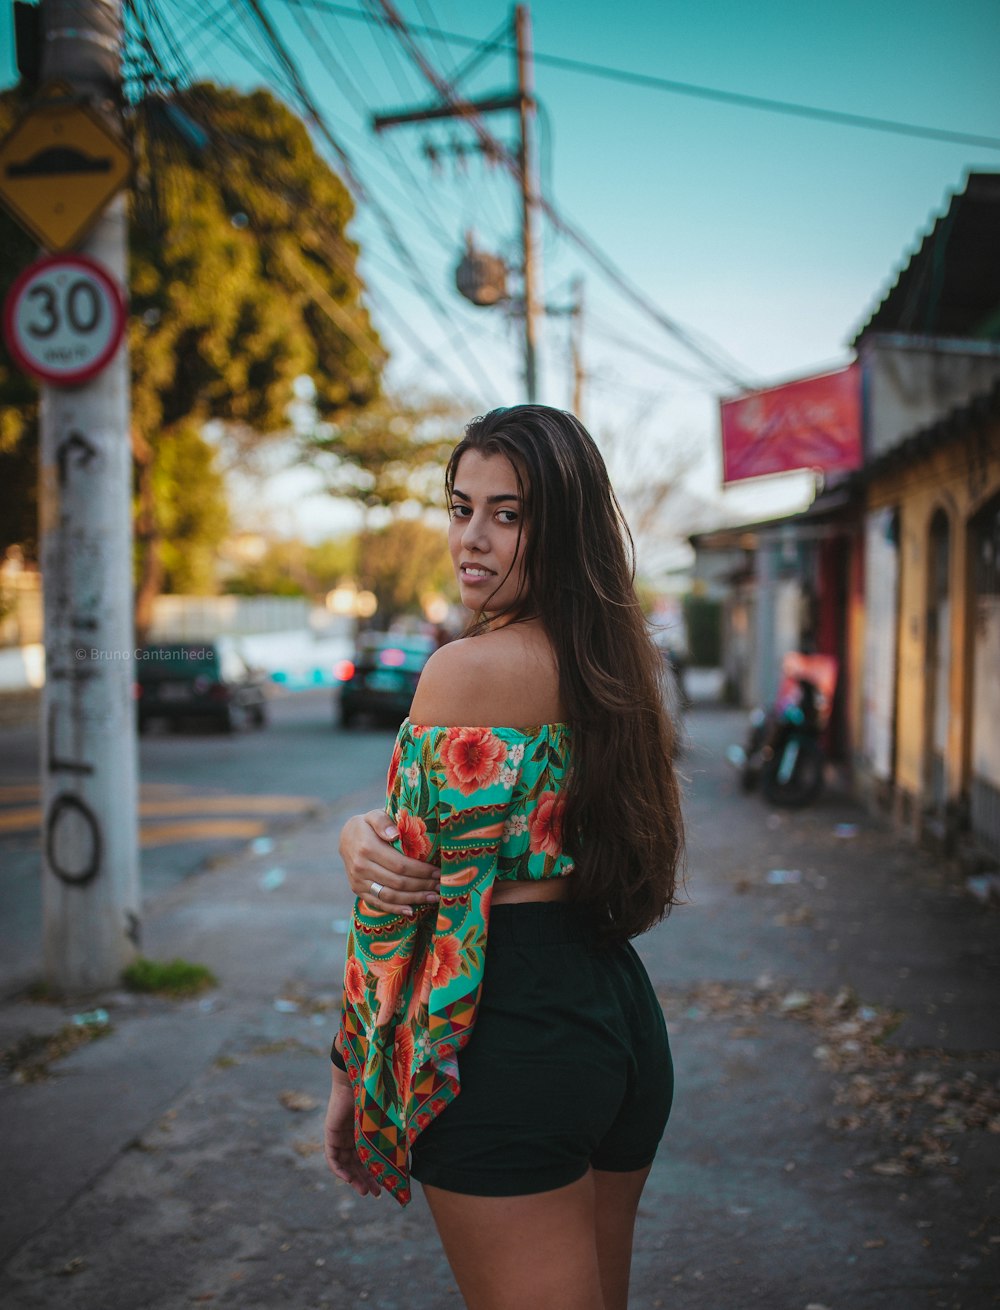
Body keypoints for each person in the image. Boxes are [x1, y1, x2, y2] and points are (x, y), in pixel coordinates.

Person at [324, 405, 684, 1310]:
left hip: (507, 1033)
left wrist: (353, 1072)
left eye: (507, 514)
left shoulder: (466, 671)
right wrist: (358, 832)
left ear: (559, 528)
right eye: (460, 507)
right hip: (616, 1015)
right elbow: (516, 832)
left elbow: (402, 900)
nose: (470, 540)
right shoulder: (619, 665)